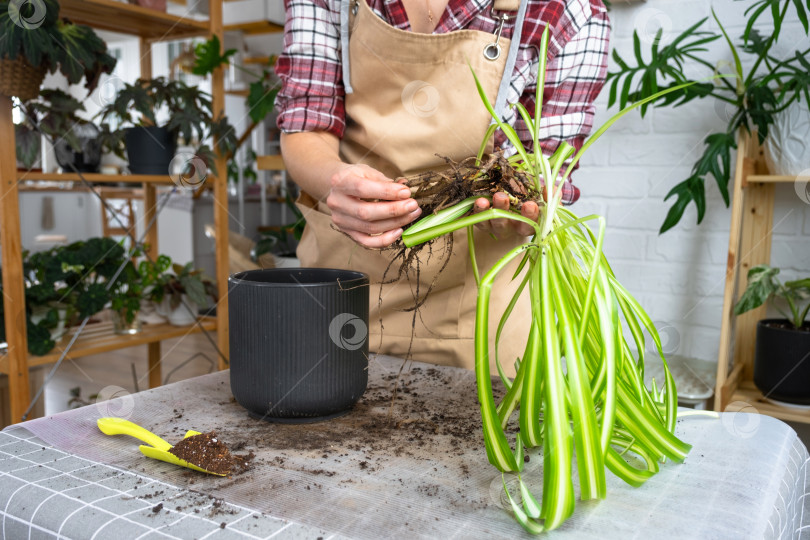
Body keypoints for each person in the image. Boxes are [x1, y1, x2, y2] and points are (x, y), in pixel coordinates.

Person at [276, 0, 609, 371]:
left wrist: (519, 204)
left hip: (478, 312)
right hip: (341, 286)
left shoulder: (568, 13)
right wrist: (334, 180)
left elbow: (542, 166)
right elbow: (308, 123)